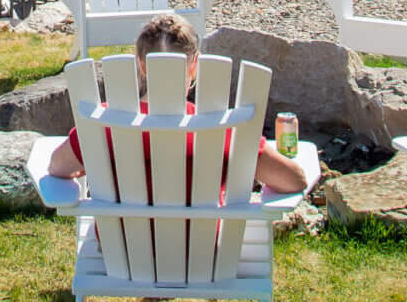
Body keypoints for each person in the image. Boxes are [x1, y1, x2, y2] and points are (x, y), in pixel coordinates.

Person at [47, 14, 304, 196]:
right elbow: (294, 180)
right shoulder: (224, 129)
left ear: (142, 64)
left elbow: (57, 167)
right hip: (205, 263)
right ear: (194, 65)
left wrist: (85, 169)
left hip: (124, 260)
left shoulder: (104, 123)